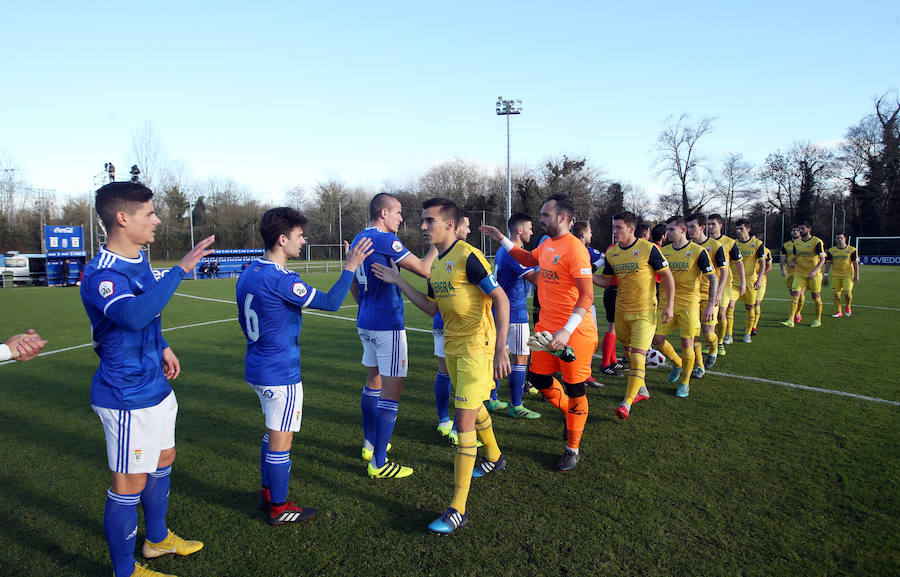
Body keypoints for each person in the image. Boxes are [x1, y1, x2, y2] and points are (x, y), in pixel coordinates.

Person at [81, 181, 214, 577]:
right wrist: (180, 270)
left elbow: (147, 318)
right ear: (122, 218)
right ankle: (126, 571)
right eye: (149, 214)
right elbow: (132, 316)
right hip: (125, 395)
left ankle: (156, 540)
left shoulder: (137, 259)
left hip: (155, 384)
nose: (157, 220)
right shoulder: (100, 274)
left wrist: (164, 346)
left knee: (164, 459)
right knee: (130, 483)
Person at [373, 197, 510, 534]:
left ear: (450, 224)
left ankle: (457, 509)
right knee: (472, 407)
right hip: (453, 347)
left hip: (478, 349)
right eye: (421, 221)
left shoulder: (470, 257)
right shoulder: (435, 265)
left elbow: (500, 298)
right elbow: (432, 308)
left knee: (464, 420)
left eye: (428, 221)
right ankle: (494, 457)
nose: (422, 227)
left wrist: (501, 348)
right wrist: (400, 281)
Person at [236, 207, 373, 525]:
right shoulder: (281, 279)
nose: (304, 240)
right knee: (281, 440)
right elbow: (331, 302)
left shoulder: (248, 271)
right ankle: (279, 508)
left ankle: (268, 494)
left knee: (271, 435)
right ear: (282, 239)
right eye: (299, 235)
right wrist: (350, 266)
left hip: (257, 366)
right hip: (279, 372)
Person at [481, 194, 598, 471]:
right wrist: (501, 238)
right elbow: (525, 257)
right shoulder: (546, 244)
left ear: (562, 217)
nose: (541, 219)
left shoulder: (576, 249)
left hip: (575, 333)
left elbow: (587, 295)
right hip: (546, 330)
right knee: (541, 380)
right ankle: (572, 416)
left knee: (575, 388)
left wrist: (567, 331)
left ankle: (572, 448)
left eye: (546, 215)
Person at [350, 193, 436, 479]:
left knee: (372, 383)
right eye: (398, 212)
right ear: (383, 213)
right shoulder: (387, 240)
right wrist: (439, 244)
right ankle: (379, 462)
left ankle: (369, 444)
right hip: (388, 324)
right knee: (392, 392)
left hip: (365, 322)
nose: (402, 218)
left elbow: (350, 277)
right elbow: (424, 270)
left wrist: (363, 305)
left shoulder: (359, 237)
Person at [594, 212, 674, 420]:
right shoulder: (612, 254)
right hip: (621, 312)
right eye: (614, 227)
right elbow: (606, 281)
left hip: (645, 313)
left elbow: (667, 276)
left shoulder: (649, 249)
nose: (614, 231)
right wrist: (585, 274)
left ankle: (626, 403)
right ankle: (642, 389)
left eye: (618, 227)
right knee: (628, 352)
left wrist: (669, 305)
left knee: (637, 357)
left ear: (631, 229)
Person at [650, 216, 717, 398]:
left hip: (689, 305)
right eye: (667, 230)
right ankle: (678, 363)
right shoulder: (663, 251)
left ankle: (685, 382)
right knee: (657, 339)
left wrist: (711, 304)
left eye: (672, 230)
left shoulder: (698, 251)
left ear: (683, 230)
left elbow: (713, 278)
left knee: (688, 343)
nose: (668, 233)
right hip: (666, 304)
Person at [492, 213, 541, 417]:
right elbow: (536, 280)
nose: (532, 231)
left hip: (503, 311)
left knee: (500, 354)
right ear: (519, 230)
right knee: (520, 358)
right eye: (529, 228)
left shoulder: (504, 251)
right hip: (513, 313)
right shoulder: (515, 253)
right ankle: (516, 405)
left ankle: (492, 399)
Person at [684, 214, 726, 379]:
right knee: (694, 333)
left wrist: (719, 293)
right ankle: (700, 366)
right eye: (688, 227)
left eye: (693, 227)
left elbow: (724, 271)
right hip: (692, 297)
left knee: (708, 332)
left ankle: (714, 349)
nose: (689, 230)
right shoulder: (688, 247)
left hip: (710, 294)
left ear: (701, 227)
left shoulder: (715, 246)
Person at [572, 220, 605, 388]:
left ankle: (583, 373)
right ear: (583, 234)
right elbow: (605, 258)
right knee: (585, 339)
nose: (591, 235)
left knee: (584, 340)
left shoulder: (578, 250)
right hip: (579, 301)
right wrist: (595, 266)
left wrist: (592, 267)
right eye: (590, 232)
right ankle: (580, 374)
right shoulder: (582, 250)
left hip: (574, 301)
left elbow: (603, 258)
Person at [707, 214, 744, 356]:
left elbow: (739, 262)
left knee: (721, 314)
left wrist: (743, 282)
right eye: (709, 224)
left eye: (713, 224)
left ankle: (720, 342)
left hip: (725, 285)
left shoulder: (729, 242)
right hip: (705, 286)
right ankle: (710, 341)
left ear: (720, 225)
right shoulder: (702, 242)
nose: (710, 227)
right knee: (707, 317)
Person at [782, 221, 826, 328]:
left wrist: (814, 271)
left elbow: (822, 259)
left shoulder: (817, 242)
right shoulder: (797, 243)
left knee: (815, 296)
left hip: (813, 274)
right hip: (799, 273)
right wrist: (793, 261)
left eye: (802, 229)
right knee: (795, 295)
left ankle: (818, 319)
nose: (800, 231)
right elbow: (797, 255)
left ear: (809, 229)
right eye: (799, 229)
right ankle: (790, 320)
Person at [733, 219, 766, 343]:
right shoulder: (733, 244)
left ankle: (747, 333)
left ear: (748, 229)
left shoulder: (757, 244)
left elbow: (763, 263)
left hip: (751, 281)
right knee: (729, 306)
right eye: (737, 229)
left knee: (750, 307)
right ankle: (728, 335)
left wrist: (759, 279)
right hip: (734, 281)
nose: (738, 231)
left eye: (741, 228)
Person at [825, 233, 859, 317]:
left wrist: (857, 274)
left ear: (845, 239)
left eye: (841, 238)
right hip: (835, 275)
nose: (839, 240)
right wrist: (825, 274)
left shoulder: (852, 250)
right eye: (837, 238)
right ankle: (839, 311)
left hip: (848, 275)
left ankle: (848, 306)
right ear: (835, 240)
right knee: (836, 294)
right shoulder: (831, 250)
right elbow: (828, 263)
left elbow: (855, 263)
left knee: (847, 293)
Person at [780, 226, 805, 323]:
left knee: (799, 293)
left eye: (797, 230)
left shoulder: (805, 244)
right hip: (790, 272)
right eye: (793, 230)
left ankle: (797, 314)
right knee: (793, 294)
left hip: (802, 272)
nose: (795, 232)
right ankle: (794, 313)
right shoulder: (786, 245)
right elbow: (783, 259)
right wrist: (783, 269)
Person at [751, 245, 773, 335]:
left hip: (761, 282)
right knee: (750, 305)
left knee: (757, 303)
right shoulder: (744, 248)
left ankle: (754, 327)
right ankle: (750, 323)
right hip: (749, 280)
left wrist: (760, 275)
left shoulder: (766, 251)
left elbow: (769, 267)